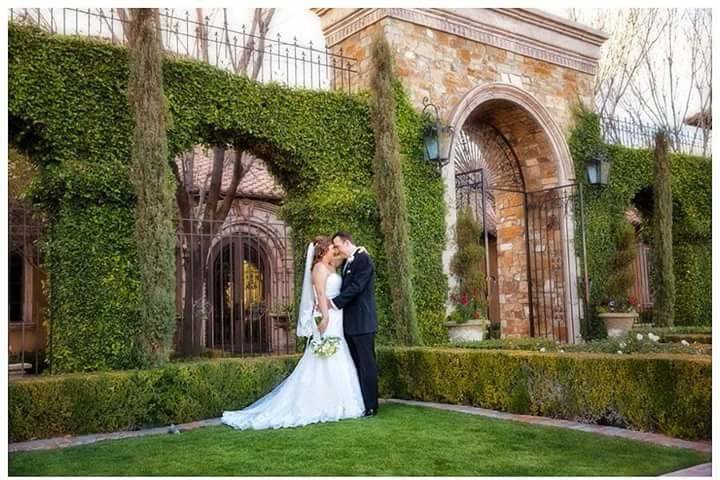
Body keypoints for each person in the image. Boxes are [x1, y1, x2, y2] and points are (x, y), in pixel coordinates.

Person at [221, 236, 365, 430]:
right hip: (328, 314)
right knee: (323, 357)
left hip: (337, 316)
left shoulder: (331, 266)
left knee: (338, 353)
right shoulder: (319, 269)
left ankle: (341, 400)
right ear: (323, 251)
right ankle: (321, 401)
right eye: (332, 247)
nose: (335, 250)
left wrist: (359, 250)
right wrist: (325, 317)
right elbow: (321, 294)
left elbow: (349, 256)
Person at [330, 231, 379, 417]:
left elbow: (357, 287)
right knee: (356, 364)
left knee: (367, 365)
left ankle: (371, 405)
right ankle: (361, 403)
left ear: (347, 242)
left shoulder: (363, 259)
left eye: (338, 245)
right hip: (350, 323)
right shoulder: (347, 261)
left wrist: (335, 302)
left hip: (363, 323)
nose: (336, 250)